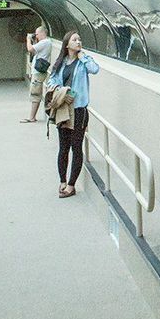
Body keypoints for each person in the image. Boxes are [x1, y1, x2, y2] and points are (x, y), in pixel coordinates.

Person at [47, 31, 99, 197]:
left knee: (76, 148)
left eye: (79, 39)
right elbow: (51, 80)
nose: (78, 41)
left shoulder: (83, 62)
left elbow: (95, 69)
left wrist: (82, 56)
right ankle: (62, 181)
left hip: (79, 111)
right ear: (67, 44)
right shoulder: (61, 63)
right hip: (64, 109)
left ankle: (71, 185)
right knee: (63, 147)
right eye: (74, 39)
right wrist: (61, 89)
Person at [21, 25, 53, 123]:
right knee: (35, 93)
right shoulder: (45, 43)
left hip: (38, 72)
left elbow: (30, 49)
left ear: (42, 33)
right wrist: (34, 41)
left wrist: (28, 39)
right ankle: (32, 116)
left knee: (35, 94)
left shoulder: (45, 42)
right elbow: (36, 52)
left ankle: (32, 117)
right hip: (39, 71)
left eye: (37, 34)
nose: (36, 36)